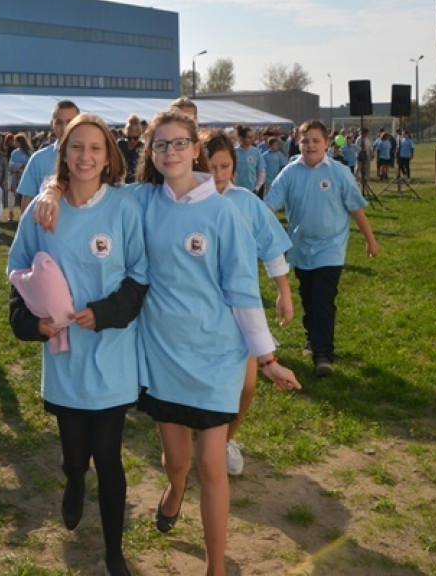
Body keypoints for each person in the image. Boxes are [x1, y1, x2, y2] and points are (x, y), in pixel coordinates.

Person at [32, 109, 301, 575]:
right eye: (161, 144)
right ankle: (175, 489)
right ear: (150, 153)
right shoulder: (138, 200)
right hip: (162, 356)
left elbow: (241, 289)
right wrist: (51, 189)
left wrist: (267, 357)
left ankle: (215, 566)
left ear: (196, 148)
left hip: (216, 357)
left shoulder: (223, 211)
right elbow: (87, 182)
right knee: (176, 460)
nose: (171, 152)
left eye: (180, 143)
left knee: (211, 464)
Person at [8, 114, 148, 576]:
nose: (85, 157)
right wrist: (32, 324)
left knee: (108, 456)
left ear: (109, 156)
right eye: (76, 148)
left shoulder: (125, 208)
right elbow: (17, 276)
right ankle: (73, 482)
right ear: (62, 154)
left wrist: (106, 313)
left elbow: (140, 278)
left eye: (95, 148)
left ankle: (114, 552)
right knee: (74, 456)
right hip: (65, 358)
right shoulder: (43, 211)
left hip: (111, 355)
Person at [202, 130, 294, 477]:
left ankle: (227, 439)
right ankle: (198, 437)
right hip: (198, 309)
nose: (219, 174)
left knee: (247, 384)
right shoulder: (187, 202)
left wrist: (284, 293)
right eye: (212, 167)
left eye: (225, 166)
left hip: (240, 308)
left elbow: (271, 247)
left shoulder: (246, 203)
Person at [266, 119, 380, 377]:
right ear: (298, 142)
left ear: (327, 143)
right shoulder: (289, 173)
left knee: (323, 299)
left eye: (316, 140)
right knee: (308, 297)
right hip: (300, 249)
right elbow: (268, 207)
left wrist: (370, 239)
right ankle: (312, 339)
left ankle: (323, 354)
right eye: (305, 141)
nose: (310, 145)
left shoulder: (339, 173)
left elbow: (356, 209)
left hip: (331, 248)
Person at [17, 100, 80, 210]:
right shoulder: (38, 159)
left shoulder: (90, 159)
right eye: (59, 123)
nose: (65, 127)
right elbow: (27, 203)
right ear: (52, 124)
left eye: (70, 122)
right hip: (48, 225)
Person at [7, 132, 33, 220]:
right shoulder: (14, 153)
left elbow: (31, 164)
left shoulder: (30, 153)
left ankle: (25, 214)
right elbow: (11, 165)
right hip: (16, 177)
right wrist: (18, 166)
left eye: (15, 141)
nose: (14, 143)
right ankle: (12, 213)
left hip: (26, 177)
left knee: (25, 195)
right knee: (14, 195)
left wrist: (23, 166)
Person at [233, 125, 266, 195]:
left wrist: (257, 187)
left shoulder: (256, 152)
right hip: (236, 189)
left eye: (252, 137)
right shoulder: (234, 152)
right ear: (241, 138)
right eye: (249, 137)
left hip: (251, 190)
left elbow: (261, 171)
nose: (252, 139)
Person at [116, 114, 144, 183]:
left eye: (135, 138)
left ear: (139, 135)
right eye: (129, 138)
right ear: (126, 135)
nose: (132, 141)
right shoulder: (120, 145)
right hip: (119, 182)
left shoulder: (142, 147)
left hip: (136, 183)